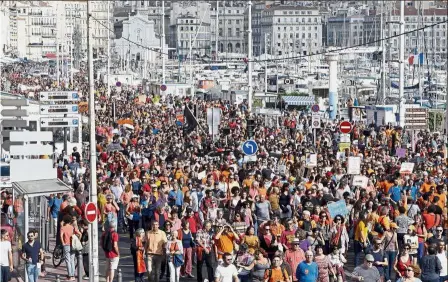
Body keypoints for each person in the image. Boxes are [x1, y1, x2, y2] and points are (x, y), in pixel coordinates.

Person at [60, 214, 80, 281]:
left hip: (66, 245)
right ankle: (73, 275)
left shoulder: (63, 227)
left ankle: (70, 275)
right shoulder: (72, 227)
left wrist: (63, 243)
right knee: (72, 260)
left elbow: (61, 236)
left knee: (67, 260)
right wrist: (78, 240)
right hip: (73, 245)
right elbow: (79, 233)